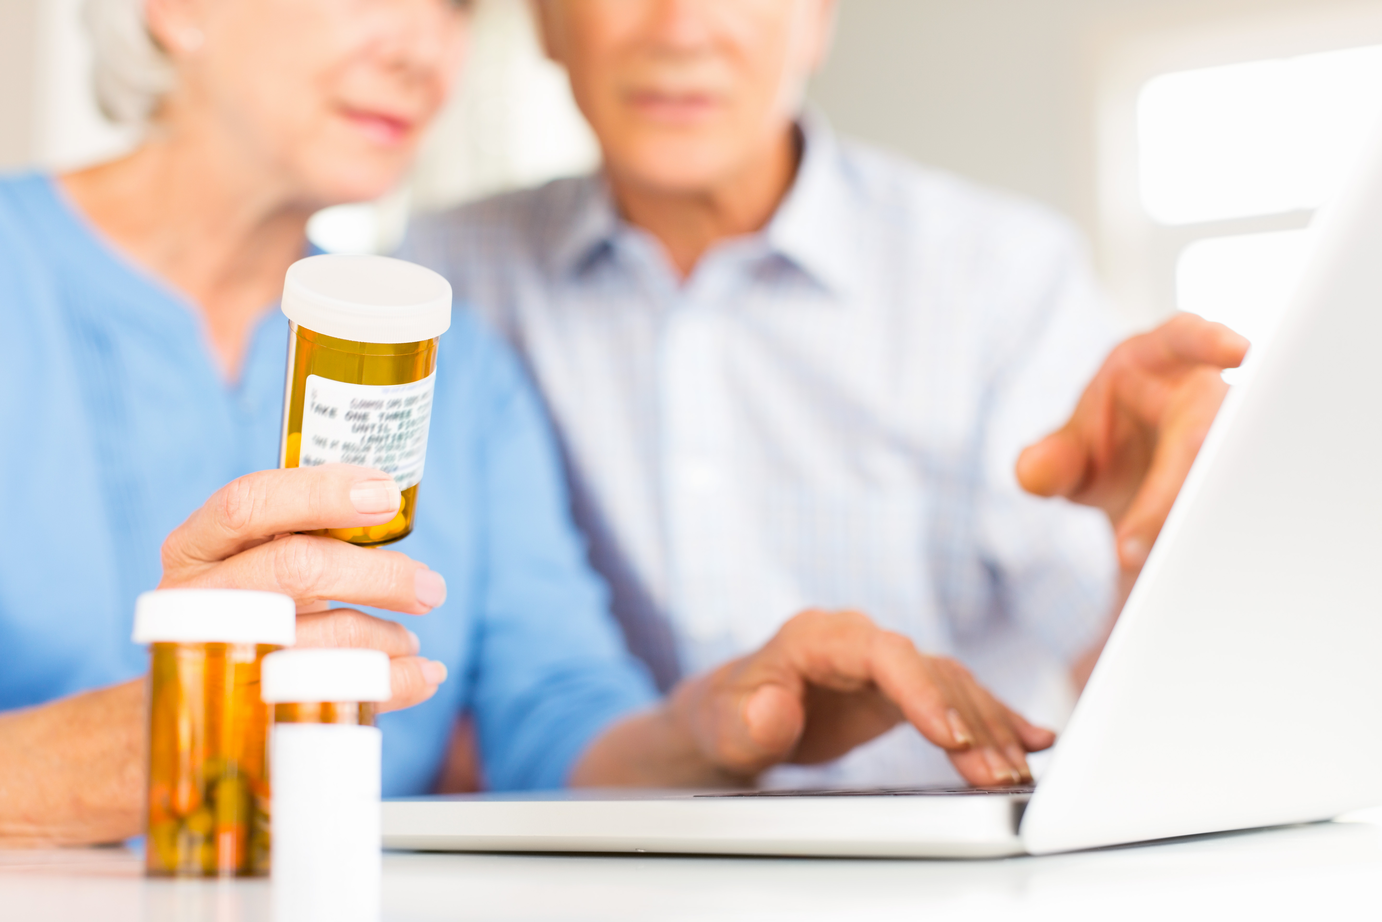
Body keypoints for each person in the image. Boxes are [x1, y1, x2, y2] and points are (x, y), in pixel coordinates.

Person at [0, 0, 1049, 846]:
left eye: (456, 5)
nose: (421, 48)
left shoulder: (452, 361)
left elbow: (551, 715)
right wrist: (102, 759)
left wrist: (722, 722)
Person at [403, 0, 1249, 788]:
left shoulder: (1003, 278)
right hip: (600, 871)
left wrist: (1155, 538)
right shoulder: (448, 276)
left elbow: (1144, 702)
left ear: (819, 18)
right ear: (546, 22)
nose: (681, 28)